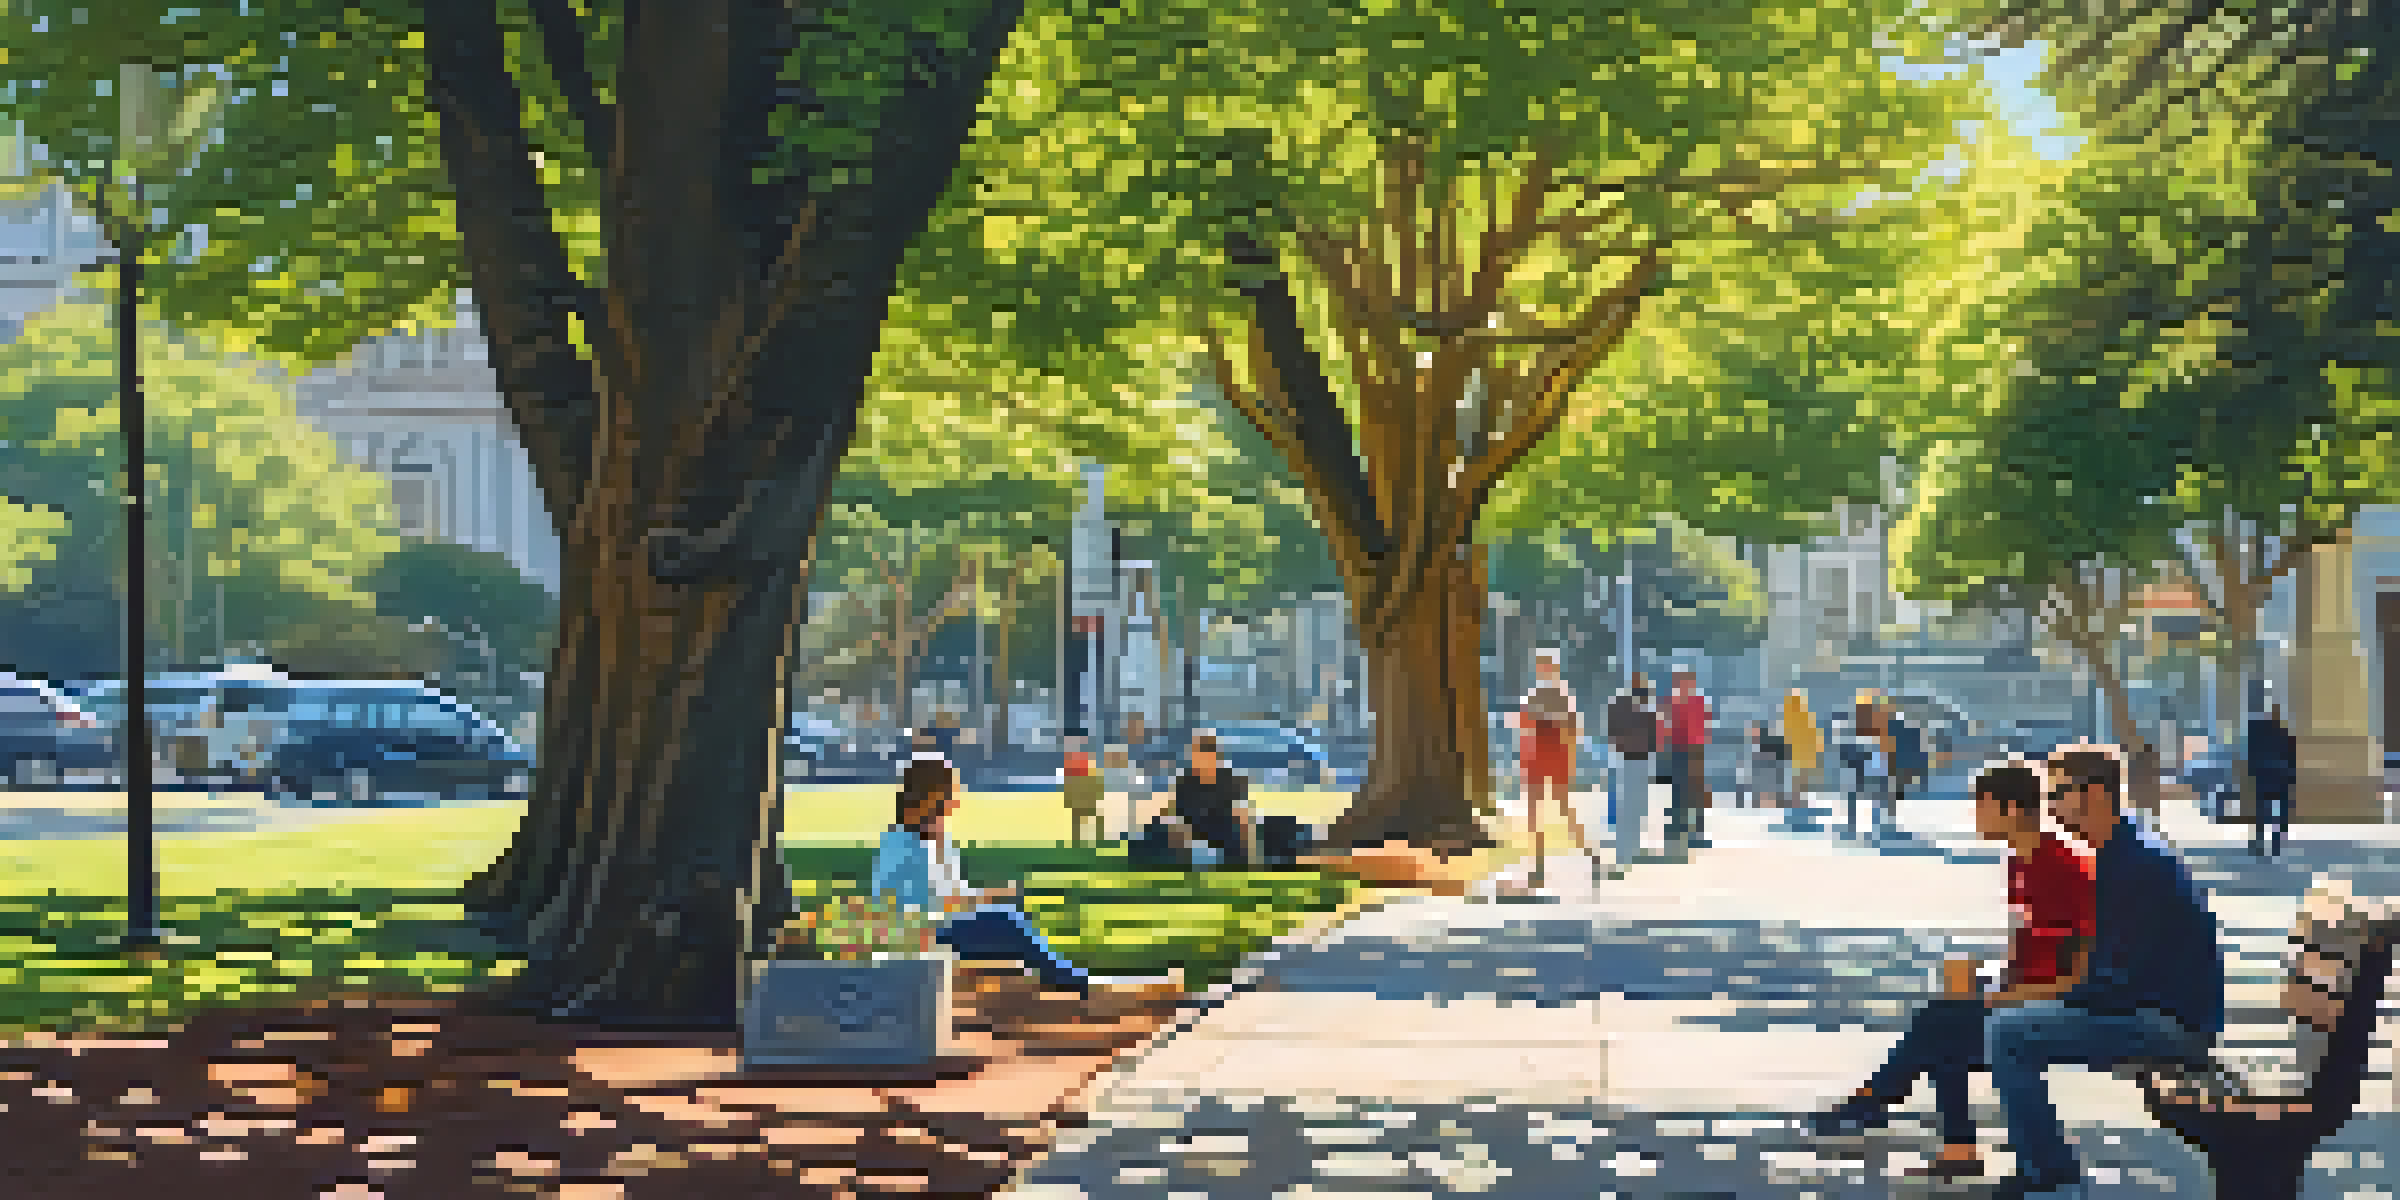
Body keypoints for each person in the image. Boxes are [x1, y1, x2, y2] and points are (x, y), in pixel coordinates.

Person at [1806, 763, 2095, 1179]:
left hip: (2065, 1003)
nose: (1975, 816)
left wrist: (2006, 996)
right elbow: (2027, 945)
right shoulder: (2020, 861)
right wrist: (1995, 979)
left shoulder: (2064, 867)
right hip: (2025, 992)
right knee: (1945, 1019)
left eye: (1983, 806)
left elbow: (2082, 967)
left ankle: (1880, 1102)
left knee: (1941, 1023)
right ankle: (1940, 1138)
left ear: (2013, 808)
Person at [1983, 747, 2225, 1198]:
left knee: (2007, 1034)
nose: (2050, 808)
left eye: (2057, 795)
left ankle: (2052, 1177)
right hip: (2160, 1011)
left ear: (2093, 794)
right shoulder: (2122, 851)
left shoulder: (2130, 864)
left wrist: (2034, 997)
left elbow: (2113, 985)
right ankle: (2013, 1157)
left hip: (2172, 1025)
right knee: (2000, 1019)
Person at [871, 758, 1093, 995]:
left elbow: (953, 891)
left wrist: (991, 895)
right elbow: (917, 904)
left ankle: (1042, 985)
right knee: (1008, 921)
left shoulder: (937, 837)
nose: (955, 801)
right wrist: (986, 898)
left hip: (945, 925)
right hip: (924, 934)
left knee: (1013, 916)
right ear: (931, 796)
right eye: (950, 792)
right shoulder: (902, 843)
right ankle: (1075, 984)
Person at [1514, 648, 1595, 885]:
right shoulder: (1535, 694)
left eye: (1545, 664)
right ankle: (1538, 865)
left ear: (1553, 667)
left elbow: (1572, 731)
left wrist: (1570, 760)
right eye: (1539, 664)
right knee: (1534, 812)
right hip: (1537, 756)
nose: (1541, 669)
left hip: (1553, 755)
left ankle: (1590, 855)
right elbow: (1525, 726)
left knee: (1563, 809)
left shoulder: (1560, 695)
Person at [1606, 673, 1662, 866]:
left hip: (1626, 759)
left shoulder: (1620, 706)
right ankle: (1629, 849)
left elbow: (1612, 732)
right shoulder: (1645, 711)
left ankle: (1627, 849)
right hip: (1638, 760)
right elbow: (1654, 739)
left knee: (1629, 806)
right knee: (1635, 807)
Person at [1663, 667, 1712, 855]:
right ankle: (1679, 832)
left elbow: (1704, 726)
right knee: (1681, 795)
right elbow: (1668, 728)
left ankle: (1694, 834)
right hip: (1681, 751)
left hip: (1693, 751)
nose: (1684, 685)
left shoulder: (1693, 701)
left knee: (1694, 794)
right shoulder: (1675, 703)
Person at [2246, 704, 2297, 858]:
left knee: (2263, 812)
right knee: (2279, 813)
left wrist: (2253, 773)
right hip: (2280, 777)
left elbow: (2253, 757)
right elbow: (2291, 758)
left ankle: (2261, 843)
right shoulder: (2286, 736)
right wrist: (2291, 777)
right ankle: (2275, 843)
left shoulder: (2261, 737)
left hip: (2265, 778)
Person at [1783, 690, 1822, 806]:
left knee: (1800, 781)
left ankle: (1799, 803)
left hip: (1801, 754)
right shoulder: (1802, 714)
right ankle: (1800, 803)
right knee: (1801, 781)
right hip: (1802, 754)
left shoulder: (1796, 713)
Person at [1061, 743, 1104, 847]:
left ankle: (1095, 838)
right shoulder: (1072, 765)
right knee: (1079, 818)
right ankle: (1078, 841)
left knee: (1092, 817)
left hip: (1085, 791)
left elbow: (1095, 780)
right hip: (1080, 791)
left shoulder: (1085, 763)